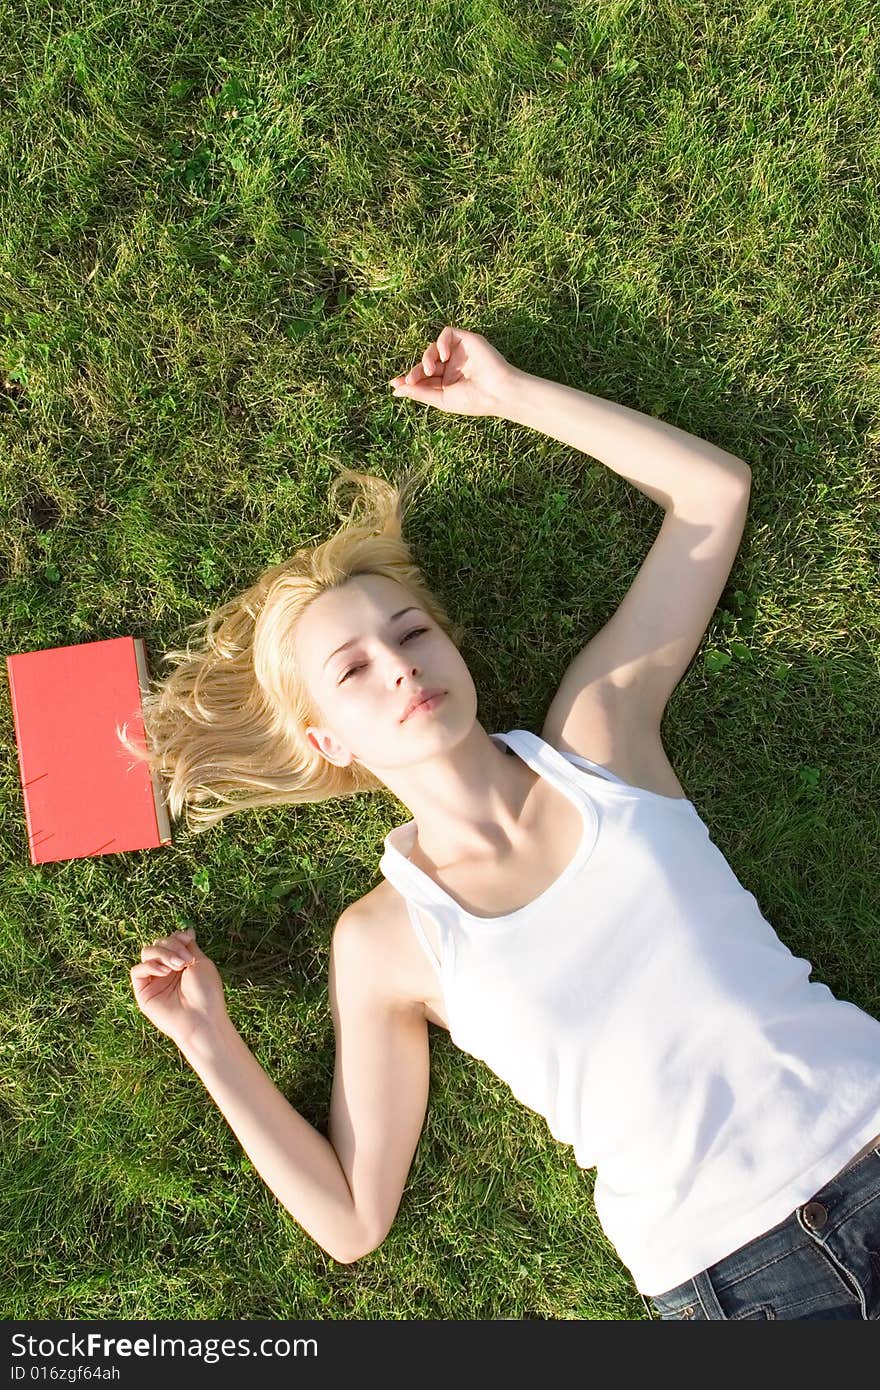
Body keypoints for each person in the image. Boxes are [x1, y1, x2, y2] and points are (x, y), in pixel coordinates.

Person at [126, 325, 880, 1320]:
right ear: (326, 739)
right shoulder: (386, 942)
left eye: (410, 631)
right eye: (354, 669)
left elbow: (713, 495)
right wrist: (205, 1038)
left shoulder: (601, 740)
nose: (398, 664)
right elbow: (353, 1218)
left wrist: (513, 393)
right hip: (734, 1279)